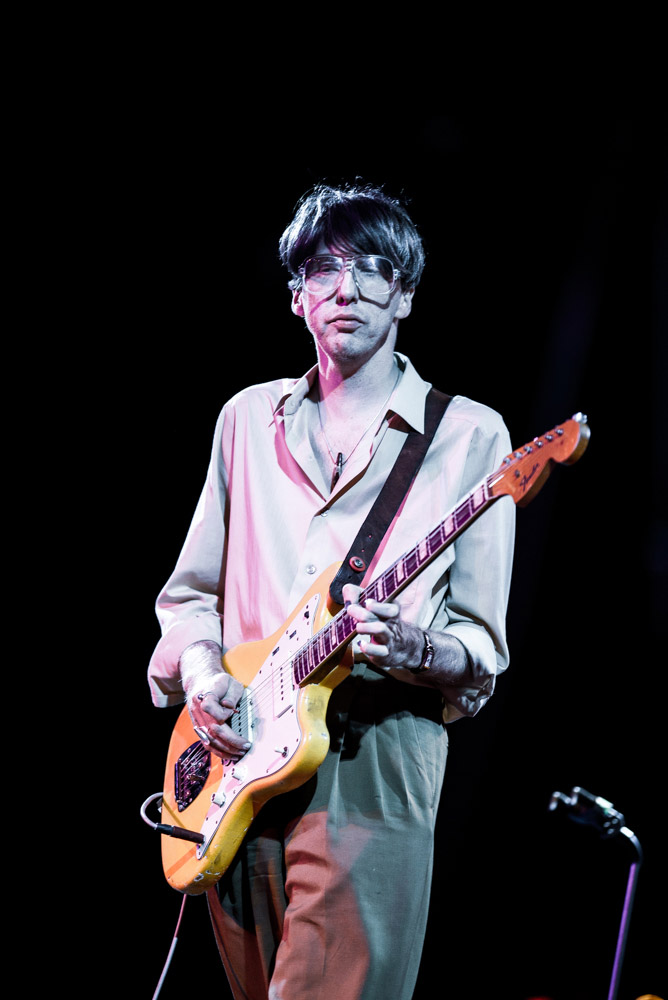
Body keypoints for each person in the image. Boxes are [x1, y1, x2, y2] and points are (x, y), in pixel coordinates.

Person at [148, 182, 516, 1000]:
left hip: (373, 750)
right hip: (237, 752)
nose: (347, 289)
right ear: (295, 297)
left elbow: (483, 652)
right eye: (324, 269)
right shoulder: (245, 419)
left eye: (375, 269)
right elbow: (187, 598)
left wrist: (416, 644)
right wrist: (206, 676)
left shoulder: (471, 435)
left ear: (407, 294)